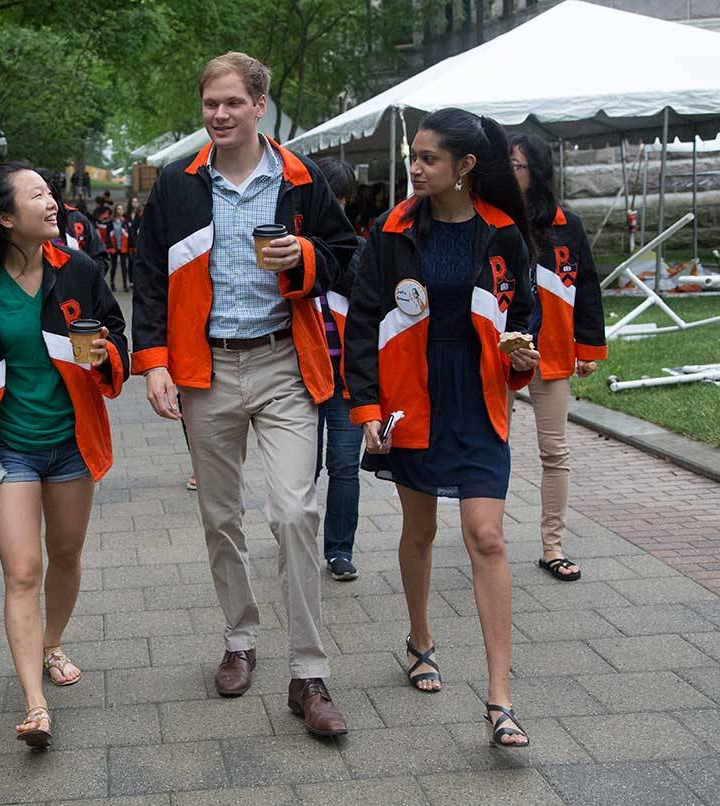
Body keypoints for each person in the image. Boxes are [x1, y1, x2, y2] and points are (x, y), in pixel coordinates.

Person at [132, 51, 358, 738]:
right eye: (210, 104)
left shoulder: (300, 178)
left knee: (294, 511)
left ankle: (309, 671)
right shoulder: (177, 185)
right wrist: (154, 363)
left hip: (285, 362)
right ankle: (239, 638)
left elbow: (347, 254)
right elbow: (146, 275)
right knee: (221, 516)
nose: (220, 115)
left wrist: (308, 258)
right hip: (206, 371)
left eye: (233, 103)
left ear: (260, 106)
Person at [344, 108, 539, 748]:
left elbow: (524, 316)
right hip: (411, 399)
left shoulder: (505, 233)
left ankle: (499, 699)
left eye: (428, 158)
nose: (416, 167)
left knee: (487, 537)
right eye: (414, 157)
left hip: (479, 401)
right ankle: (420, 637)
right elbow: (363, 322)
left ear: (465, 166)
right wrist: (367, 409)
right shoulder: (392, 230)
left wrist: (521, 354)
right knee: (420, 529)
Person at [0, 161, 129, 749]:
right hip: (8, 447)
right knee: (22, 571)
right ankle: (35, 705)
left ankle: (52, 641)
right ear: (7, 217)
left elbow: (116, 340)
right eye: (36, 194)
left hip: (70, 442)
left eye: (50, 192)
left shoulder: (79, 270)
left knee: (65, 554)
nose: (51, 201)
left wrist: (105, 352)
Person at [509, 132, 607, 581]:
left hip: (551, 351)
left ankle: (553, 546)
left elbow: (586, 286)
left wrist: (587, 348)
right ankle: (482, 528)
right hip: (502, 352)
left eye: (518, 166)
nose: (510, 172)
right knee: (490, 445)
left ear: (538, 172)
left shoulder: (567, 224)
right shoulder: (495, 219)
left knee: (555, 451)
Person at [313, 157, 363, 581]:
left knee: (344, 466)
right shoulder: (286, 248)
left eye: (341, 200)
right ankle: (292, 538)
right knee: (299, 468)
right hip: (300, 380)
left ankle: (339, 550)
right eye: (330, 197)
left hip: (347, 380)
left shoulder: (359, 250)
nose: (336, 207)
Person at [106, 203, 131, 292]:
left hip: (123, 247)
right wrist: (110, 247)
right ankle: (112, 283)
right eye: (118, 209)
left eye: (121, 209)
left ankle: (125, 285)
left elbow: (129, 235)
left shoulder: (125, 222)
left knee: (124, 266)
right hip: (114, 247)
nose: (119, 210)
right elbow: (108, 236)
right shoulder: (111, 223)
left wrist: (131, 246)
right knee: (114, 266)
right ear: (115, 210)